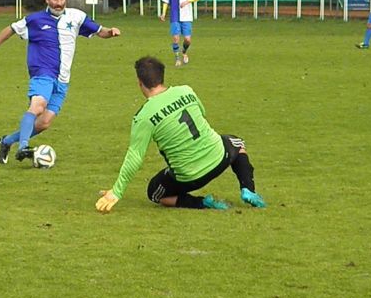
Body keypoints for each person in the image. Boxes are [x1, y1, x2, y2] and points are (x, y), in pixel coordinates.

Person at [0, 0, 121, 163]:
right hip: (42, 72)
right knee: (37, 106)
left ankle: (7, 141)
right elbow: (10, 29)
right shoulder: (35, 20)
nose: (58, 3)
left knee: (44, 123)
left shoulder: (77, 17)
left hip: (63, 78)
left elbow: (100, 31)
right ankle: (23, 147)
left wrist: (111, 32)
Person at [96, 56, 266, 213]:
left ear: (140, 82)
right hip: (219, 158)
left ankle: (203, 203)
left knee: (155, 193)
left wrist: (117, 191)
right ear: (162, 76)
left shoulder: (144, 116)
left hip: (190, 177)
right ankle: (248, 190)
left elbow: (135, 156)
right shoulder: (186, 90)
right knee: (237, 142)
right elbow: (202, 112)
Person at [160, 0, 200, 67]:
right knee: (176, 38)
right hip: (174, 17)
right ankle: (177, 58)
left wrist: (188, 1)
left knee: (187, 40)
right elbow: (165, 1)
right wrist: (163, 13)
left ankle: (184, 52)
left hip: (187, 17)